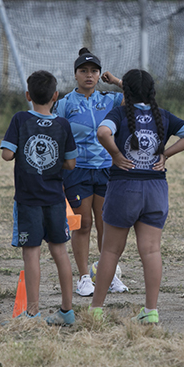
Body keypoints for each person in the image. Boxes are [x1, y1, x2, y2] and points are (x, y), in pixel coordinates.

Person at [89, 69, 184, 324]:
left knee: (110, 251)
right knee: (151, 251)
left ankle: (96, 309)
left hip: (124, 188)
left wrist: (116, 155)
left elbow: (103, 133)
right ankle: (150, 311)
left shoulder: (118, 113)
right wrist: (166, 154)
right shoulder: (163, 116)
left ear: (124, 93)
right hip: (155, 190)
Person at [1, 70, 79, 325]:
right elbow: (70, 163)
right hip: (56, 198)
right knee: (60, 252)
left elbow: (6, 155)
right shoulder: (63, 125)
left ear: (27, 95)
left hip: (28, 199)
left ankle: (33, 314)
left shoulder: (20, 119)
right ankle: (67, 311)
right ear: (56, 96)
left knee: (31, 254)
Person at [53, 47, 129, 297]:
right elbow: (57, 136)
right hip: (77, 171)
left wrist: (117, 81)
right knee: (82, 225)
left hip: (107, 170)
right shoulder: (64, 104)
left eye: (94, 71)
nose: (89, 75)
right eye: (83, 71)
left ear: (99, 75)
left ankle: (110, 274)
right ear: (75, 74)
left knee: (106, 225)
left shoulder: (110, 100)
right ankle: (85, 277)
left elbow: (139, 96)